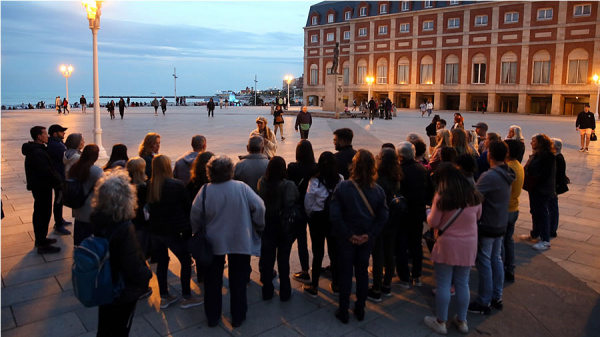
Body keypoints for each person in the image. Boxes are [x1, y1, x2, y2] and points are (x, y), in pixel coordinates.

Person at [190, 156, 266, 328]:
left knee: (212, 282)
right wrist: (259, 225)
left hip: (213, 242)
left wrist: (196, 231)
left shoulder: (205, 190)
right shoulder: (241, 187)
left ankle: (213, 316)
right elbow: (259, 207)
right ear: (230, 171)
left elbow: (195, 214)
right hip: (239, 239)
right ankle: (238, 316)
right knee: (238, 280)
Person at [89, 169, 152, 337]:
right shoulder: (124, 228)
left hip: (104, 281)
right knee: (120, 327)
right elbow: (132, 265)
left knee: (106, 325)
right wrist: (147, 273)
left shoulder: (97, 218)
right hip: (121, 288)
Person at [423, 163, 482, 335]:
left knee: (443, 283)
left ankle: (440, 321)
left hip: (447, 244)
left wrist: (428, 212)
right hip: (469, 244)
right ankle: (462, 320)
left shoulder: (443, 197)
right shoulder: (474, 195)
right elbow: (478, 217)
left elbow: (433, 222)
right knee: (463, 283)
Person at [330, 149, 388, 324]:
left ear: (353, 166)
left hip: (346, 239)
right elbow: (383, 216)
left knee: (346, 272)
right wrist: (368, 235)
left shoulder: (342, 187)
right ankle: (360, 308)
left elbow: (334, 216)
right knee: (362, 272)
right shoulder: (378, 191)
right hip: (365, 239)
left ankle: (343, 310)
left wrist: (348, 235)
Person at [147, 155, 203, 309]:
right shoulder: (176, 185)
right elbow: (187, 206)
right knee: (185, 260)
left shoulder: (150, 185)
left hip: (154, 229)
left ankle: (164, 296)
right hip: (172, 230)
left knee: (162, 262)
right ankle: (186, 296)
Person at [469, 140, 514, 315]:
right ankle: (497, 295)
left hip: (488, 223)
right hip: (500, 222)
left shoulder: (490, 176)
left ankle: (484, 301)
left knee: (485, 261)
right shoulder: (507, 172)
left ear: (490, 155)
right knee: (496, 259)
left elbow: (473, 198)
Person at [257, 156, 298, 301]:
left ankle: (267, 290)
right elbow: (293, 201)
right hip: (284, 226)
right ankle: (285, 291)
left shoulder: (262, 182)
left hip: (267, 225)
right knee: (283, 260)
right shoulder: (289, 185)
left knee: (267, 259)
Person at [303, 151, 342, 298]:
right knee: (334, 251)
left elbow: (308, 202)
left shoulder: (315, 182)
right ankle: (337, 283)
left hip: (318, 220)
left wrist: (309, 215)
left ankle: (314, 286)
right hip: (333, 219)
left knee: (317, 252)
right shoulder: (340, 179)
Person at [368, 148, 402, 302]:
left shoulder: (378, 179)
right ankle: (387, 285)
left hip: (380, 219)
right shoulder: (396, 176)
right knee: (390, 252)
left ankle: (376, 288)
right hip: (393, 220)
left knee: (378, 255)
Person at [22, 126, 63, 254]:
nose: (48, 136)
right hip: (41, 186)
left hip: (42, 185)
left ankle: (42, 239)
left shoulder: (38, 149)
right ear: (39, 137)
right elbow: (46, 171)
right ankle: (41, 243)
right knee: (42, 213)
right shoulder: (36, 152)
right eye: (45, 134)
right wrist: (58, 181)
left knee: (44, 212)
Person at [396, 142, 429, 288]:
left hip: (403, 213)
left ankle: (404, 277)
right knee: (416, 244)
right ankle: (417, 275)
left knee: (401, 246)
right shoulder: (422, 169)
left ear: (401, 156)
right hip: (417, 212)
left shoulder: (399, 171)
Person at [287, 140, 318, 284]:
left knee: (301, 239)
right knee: (317, 240)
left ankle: (305, 270)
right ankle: (316, 270)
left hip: (298, 206)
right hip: (313, 207)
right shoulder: (316, 168)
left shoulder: (292, 168)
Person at [520, 134, 556, 251]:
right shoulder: (538, 154)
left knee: (542, 213)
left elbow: (545, 175)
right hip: (535, 188)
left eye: (534, 141)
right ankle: (535, 233)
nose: (531, 143)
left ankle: (545, 240)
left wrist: (534, 182)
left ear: (540, 143)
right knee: (535, 211)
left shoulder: (547, 156)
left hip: (542, 189)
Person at [68, 144, 103, 246]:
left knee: (79, 228)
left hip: (77, 204)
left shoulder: (75, 167)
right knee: (89, 233)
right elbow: (104, 186)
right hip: (90, 206)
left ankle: (78, 248)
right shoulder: (95, 170)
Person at [503, 140, 524, 283]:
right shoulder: (518, 166)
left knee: (500, 243)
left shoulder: (508, 168)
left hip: (505, 210)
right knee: (508, 240)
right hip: (514, 208)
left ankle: (502, 269)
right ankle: (510, 268)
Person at [47, 124, 71, 235]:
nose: (64, 133)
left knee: (60, 199)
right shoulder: (54, 145)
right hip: (59, 176)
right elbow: (65, 157)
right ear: (55, 133)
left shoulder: (58, 143)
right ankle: (58, 224)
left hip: (61, 174)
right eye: (61, 131)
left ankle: (60, 219)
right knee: (59, 200)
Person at [550, 138, 569, 238]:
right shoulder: (556, 157)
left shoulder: (558, 159)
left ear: (555, 148)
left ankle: (552, 229)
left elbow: (557, 175)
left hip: (553, 188)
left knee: (552, 208)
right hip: (553, 187)